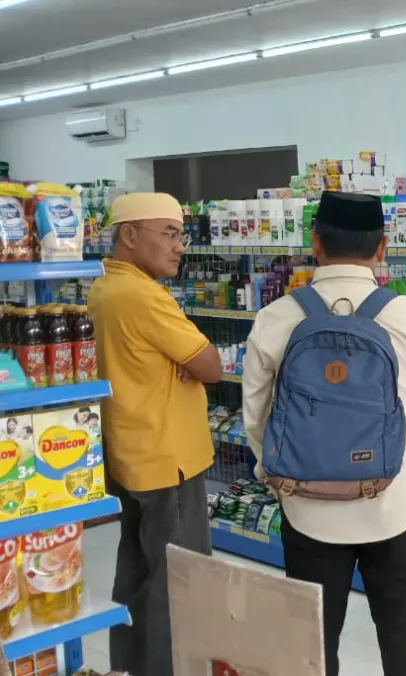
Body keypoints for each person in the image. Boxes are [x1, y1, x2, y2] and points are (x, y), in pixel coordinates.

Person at [242, 191, 406, 676]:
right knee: (405, 636)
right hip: (393, 502)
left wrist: (286, 473)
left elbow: (256, 417)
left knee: (311, 641)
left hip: (308, 508)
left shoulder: (276, 316)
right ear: (382, 249)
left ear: (316, 243)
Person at [88, 192, 222, 676]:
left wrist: (181, 365)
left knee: (138, 574)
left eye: (181, 235)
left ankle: (132, 665)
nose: (180, 246)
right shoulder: (144, 295)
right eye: (168, 233)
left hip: (129, 453)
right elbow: (209, 365)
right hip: (169, 458)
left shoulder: (104, 287)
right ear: (128, 235)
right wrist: (190, 366)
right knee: (182, 584)